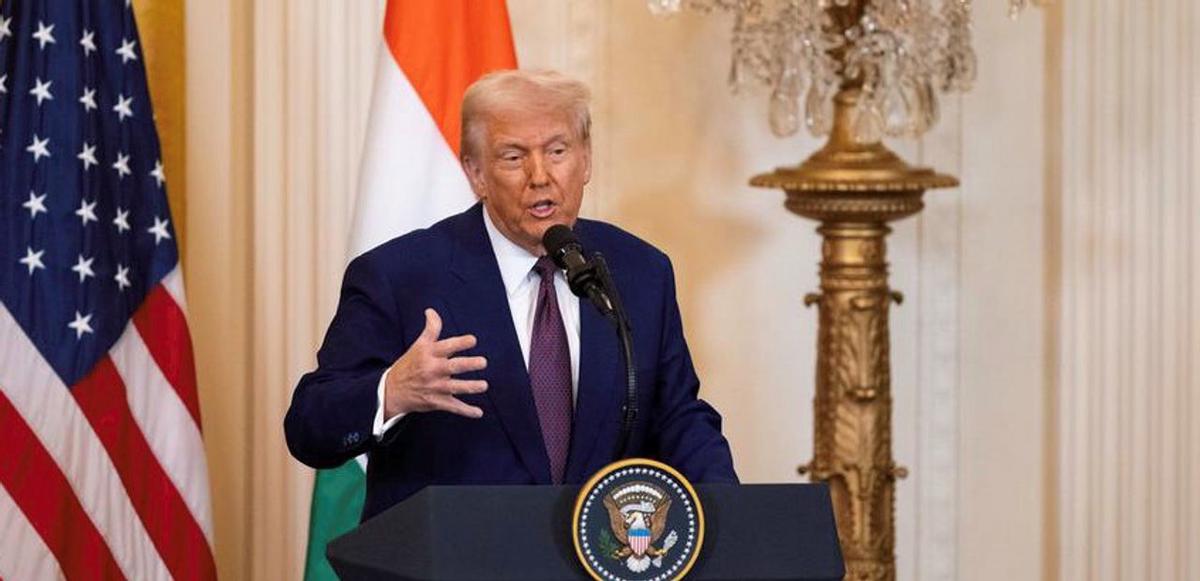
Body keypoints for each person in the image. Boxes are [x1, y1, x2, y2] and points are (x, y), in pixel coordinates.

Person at [284, 69, 737, 521]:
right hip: (452, 552)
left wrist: (731, 515)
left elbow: (677, 416)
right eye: (514, 157)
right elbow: (309, 427)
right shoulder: (400, 275)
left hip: (594, 550)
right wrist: (392, 392)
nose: (540, 176)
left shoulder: (640, 272)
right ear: (476, 173)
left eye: (557, 151)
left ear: (586, 159)